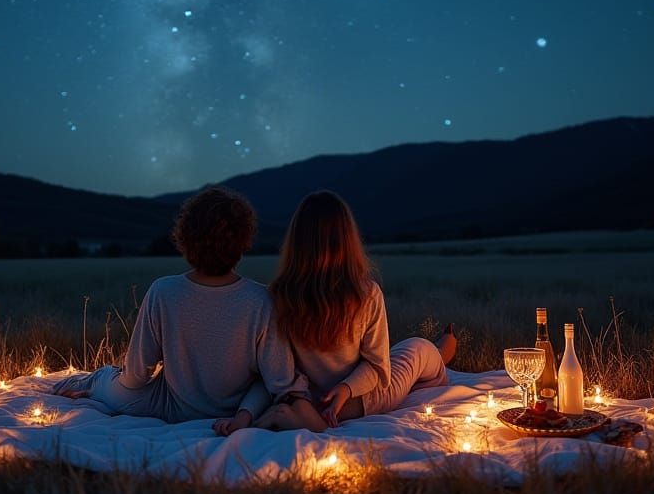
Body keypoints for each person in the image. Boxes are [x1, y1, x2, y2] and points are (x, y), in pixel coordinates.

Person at [53, 185, 305, 433]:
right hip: (232, 410)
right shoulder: (261, 299)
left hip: (168, 407)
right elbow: (278, 381)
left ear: (185, 238)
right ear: (243, 241)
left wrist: (113, 383)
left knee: (108, 378)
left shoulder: (164, 292)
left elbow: (136, 377)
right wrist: (245, 414)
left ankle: (81, 383)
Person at [252, 190, 456, 432]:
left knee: (399, 352)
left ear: (297, 241)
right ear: (347, 239)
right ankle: (442, 352)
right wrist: (346, 389)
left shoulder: (276, 295)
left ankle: (440, 351)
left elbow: (280, 372)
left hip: (312, 402)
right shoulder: (365, 293)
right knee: (417, 348)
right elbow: (378, 370)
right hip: (362, 399)